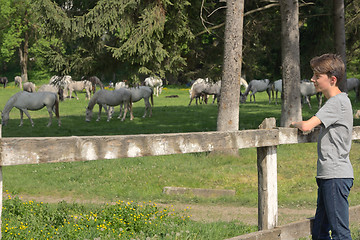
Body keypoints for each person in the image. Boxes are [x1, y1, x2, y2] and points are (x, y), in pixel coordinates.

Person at [290, 53, 354, 240]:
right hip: (330, 175)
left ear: (332, 79)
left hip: (335, 175)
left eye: (317, 76)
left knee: (340, 233)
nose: (312, 79)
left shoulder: (336, 102)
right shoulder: (341, 101)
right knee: (319, 232)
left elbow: (307, 126)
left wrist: (294, 123)